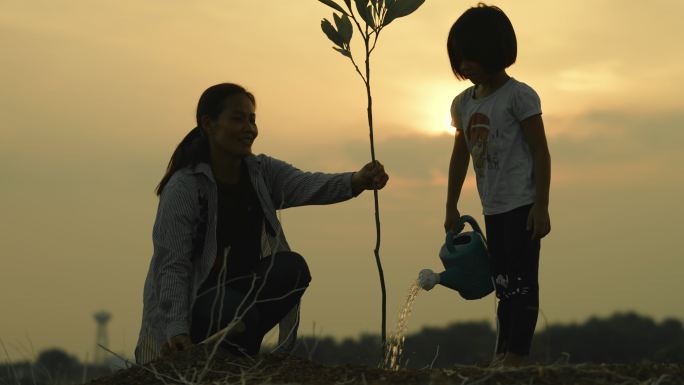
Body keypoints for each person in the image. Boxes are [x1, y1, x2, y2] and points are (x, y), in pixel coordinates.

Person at [135, 83, 389, 364]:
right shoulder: (185, 187)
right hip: (199, 304)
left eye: (252, 119)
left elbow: (305, 183)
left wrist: (356, 180)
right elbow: (172, 263)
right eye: (237, 118)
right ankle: (227, 354)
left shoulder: (260, 172)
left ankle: (240, 354)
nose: (249, 128)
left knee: (292, 269)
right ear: (209, 124)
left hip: (241, 293)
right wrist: (176, 329)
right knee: (231, 310)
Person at [443, 3, 552, 367]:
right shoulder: (462, 104)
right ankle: (502, 351)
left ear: (493, 51)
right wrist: (450, 206)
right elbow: (459, 158)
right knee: (503, 282)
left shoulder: (519, 96)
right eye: (458, 59)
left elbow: (540, 151)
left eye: (469, 57)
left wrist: (541, 205)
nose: (463, 66)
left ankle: (517, 355)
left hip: (521, 204)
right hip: (492, 206)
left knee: (522, 282)